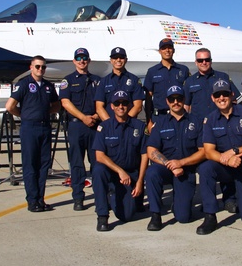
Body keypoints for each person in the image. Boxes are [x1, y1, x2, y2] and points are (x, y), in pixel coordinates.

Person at [196, 80, 242, 234]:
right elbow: (208, 151)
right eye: (217, 95)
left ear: (232, 95)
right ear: (213, 98)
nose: (222, 98)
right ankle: (210, 216)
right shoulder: (210, 119)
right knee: (205, 168)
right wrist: (225, 158)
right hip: (226, 167)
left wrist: (234, 151)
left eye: (225, 94)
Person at [183, 48, 240, 208]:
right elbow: (186, 107)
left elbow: (235, 99)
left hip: (223, 127)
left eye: (206, 59)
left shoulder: (222, 77)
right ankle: (208, 200)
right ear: (196, 62)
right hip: (201, 130)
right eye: (200, 60)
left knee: (225, 161)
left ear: (211, 60)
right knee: (204, 166)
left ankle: (230, 198)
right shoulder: (190, 82)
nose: (204, 63)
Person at [144, 85, 206, 230]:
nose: (175, 102)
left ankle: (179, 203)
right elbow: (151, 150)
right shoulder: (160, 123)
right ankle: (155, 214)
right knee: (152, 173)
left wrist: (181, 163)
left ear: (184, 100)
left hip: (186, 170)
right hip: (166, 168)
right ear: (167, 101)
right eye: (172, 99)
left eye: (179, 98)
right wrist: (170, 165)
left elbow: (203, 151)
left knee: (183, 217)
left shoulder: (196, 122)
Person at [5, 56, 61, 212]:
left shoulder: (48, 86)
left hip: (45, 127)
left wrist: (45, 112)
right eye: (37, 67)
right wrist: (24, 115)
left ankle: (40, 199)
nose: (40, 70)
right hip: (30, 127)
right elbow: (10, 106)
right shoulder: (24, 84)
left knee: (44, 165)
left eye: (43, 67)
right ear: (31, 67)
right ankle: (32, 200)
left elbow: (57, 105)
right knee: (30, 165)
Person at [92, 90, 149, 232]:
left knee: (127, 215)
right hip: (113, 174)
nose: (121, 106)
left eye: (124, 103)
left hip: (131, 176)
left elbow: (144, 156)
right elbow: (99, 155)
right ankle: (102, 216)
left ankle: (116, 195)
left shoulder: (139, 127)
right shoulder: (104, 127)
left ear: (130, 105)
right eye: (117, 103)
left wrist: (141, 182)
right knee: (98, 170)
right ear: (112, 106)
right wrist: (120, 171)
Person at [58, 47, 101, 211]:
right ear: (74, 61)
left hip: (94, 125)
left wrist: (95, 117)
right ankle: (78, 197)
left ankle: (99, 195)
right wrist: (83, 118)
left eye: (85, 58)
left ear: (89, 60)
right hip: (76, 125)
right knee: (77, 163)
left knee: (96, 162)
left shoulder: (97, 80)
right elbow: (65, 103)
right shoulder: (67, 81)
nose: (82, 61)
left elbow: (102, 102)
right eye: (79, 58)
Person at [143, 38, 189, 126]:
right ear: (159, 51)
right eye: (164, 48)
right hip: (159, 117)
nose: (167, 50)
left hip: (180, 116)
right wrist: (149, 121)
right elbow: (148, 98)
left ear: (174, 50)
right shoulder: (152, 71)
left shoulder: (183, 70)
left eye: (169, 47)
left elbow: (188, 95)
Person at [95, 47, 144, 121]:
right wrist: (110, 125)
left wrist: (125, 122)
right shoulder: (103, 82)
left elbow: (138, 106)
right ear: (111, 61)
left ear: (126, 60)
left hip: (129, 126)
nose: (118, 60)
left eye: (121, 57)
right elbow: (99, 107)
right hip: (109, 127)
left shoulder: (135, 80)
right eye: (115, 57)